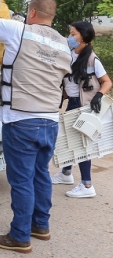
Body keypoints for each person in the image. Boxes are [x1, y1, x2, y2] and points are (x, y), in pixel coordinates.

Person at [0, 0, 72, 253]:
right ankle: (40, 225)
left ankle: (19, 236)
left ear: (31, 12)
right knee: (41, 175)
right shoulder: (64, 44)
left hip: (21, 120)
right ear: (52, 16)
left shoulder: (18, 30)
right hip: (50, 121)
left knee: (21, 181)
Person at [51, 21, 112, 198]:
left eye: (73, 34)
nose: (70, 37)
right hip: (72, 103)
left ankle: (87, 185)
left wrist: (99, 96)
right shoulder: (69, 55)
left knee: (82, 145)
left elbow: (107, 82)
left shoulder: (92, 58)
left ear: (84, 37)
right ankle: (66, 173)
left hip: (84, 105)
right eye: (70, 34)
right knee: (69, 140)